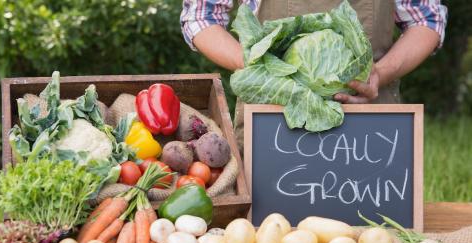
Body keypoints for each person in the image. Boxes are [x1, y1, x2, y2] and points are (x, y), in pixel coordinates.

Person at [180, 0, 447, 149]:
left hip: (370, 132)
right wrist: (263, 68)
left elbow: (427, 20)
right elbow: (201, 16)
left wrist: (381, 73)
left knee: (380, 240)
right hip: (272, 126)